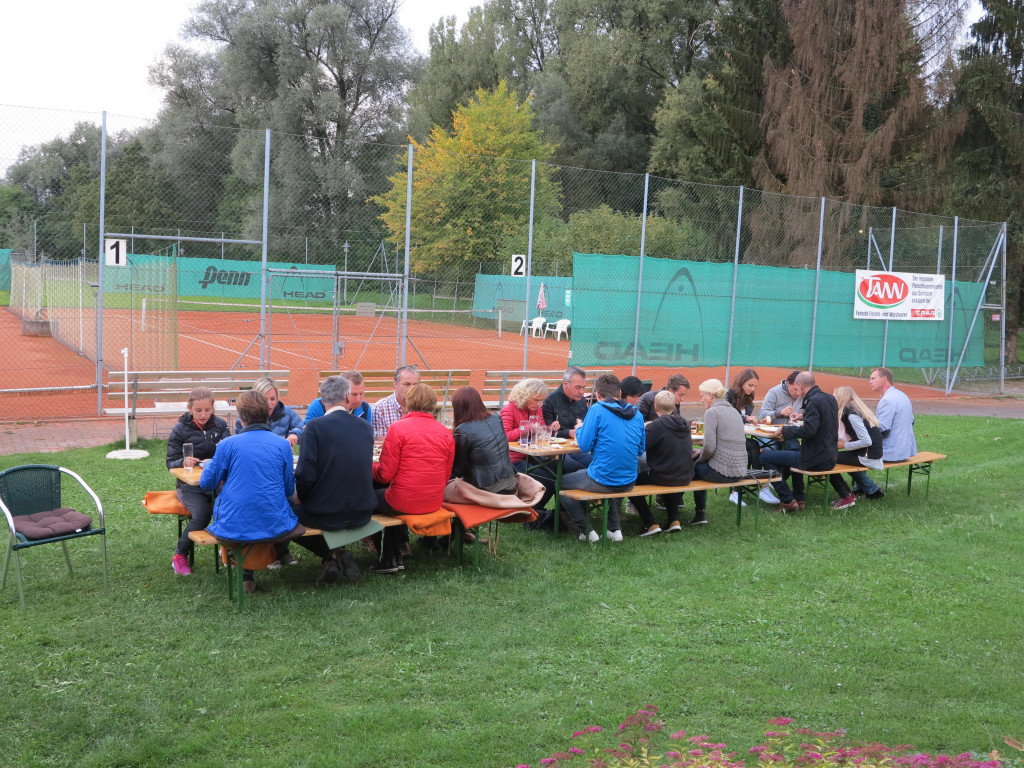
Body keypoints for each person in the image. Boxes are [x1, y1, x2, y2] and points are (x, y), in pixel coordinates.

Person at [200, 390, 303, 593]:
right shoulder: (282, 445)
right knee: (267, 506)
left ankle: (247, 574)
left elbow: (207, 483)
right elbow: (288, 489)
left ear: (241, 416)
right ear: (267, 414)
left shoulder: (227, 445)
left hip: (235, 523)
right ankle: (279, 554)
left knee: (243, 510)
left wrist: (210, 464)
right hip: (275, 522)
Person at [292, 375, 377, 585]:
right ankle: (335, 555)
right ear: (347, 397)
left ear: (323, 400)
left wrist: (301, 496)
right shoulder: (366, 427)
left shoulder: (314, 427)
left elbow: (305, 474)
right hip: (362, 512)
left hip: (327, 514)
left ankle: (331, 554)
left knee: (284, 513)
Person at [371, 383, 455, 573]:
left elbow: (385, 475)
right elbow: (445, 475)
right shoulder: (445, 432)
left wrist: (370, 467)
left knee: (370, 499)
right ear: (432, 404)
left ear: (409, 402)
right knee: (390, 497)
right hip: (433, 501)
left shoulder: (397, 428)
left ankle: (388, 557)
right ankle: (396, 553)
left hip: (404, 501)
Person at [558, 374, 645, 542]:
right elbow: (640, 449)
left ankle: (587, 531)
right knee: (606, 477)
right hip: (629, 480)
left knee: (560, 483)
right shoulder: (637, 414)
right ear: (620, 393)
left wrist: (580, 428)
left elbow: (584, 446)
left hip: (603, 479)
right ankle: (614, 529)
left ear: (598, 394)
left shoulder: (596, 410)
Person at [166, 387, 231, 575]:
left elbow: (230, 454)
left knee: (232, 507)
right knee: (203, 514)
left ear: (213, 408)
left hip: (217, 482)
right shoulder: (179, 429)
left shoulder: (220, 425)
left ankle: (228, 549)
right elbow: (170, 462)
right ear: (189, 408)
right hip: (189, 486)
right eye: (198, 410)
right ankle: (179, 556)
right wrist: (183, 462)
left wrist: (217, 460)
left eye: (207, 410)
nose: (203, 415)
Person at [760, 372, 839, 512]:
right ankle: (799, 498)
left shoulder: (813, 401)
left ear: (801, 386)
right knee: (794, 451)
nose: (797, 393)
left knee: (764, 457)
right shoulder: (829, 398)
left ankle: (787, 500)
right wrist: (803, 416)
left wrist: (785, 430)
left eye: (797, 388)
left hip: (815, 459)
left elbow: (809, 431)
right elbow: (822, 420)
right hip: (830, 457)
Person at [628, 390, 693, 536]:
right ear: (674, 407)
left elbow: (639, 448)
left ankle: (649, 522)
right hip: (686, 475)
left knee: (629, 481)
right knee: (668, 473)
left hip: (665, 476)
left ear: (655, 407)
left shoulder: (655, 426)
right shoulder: (684, 424)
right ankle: (674, 520)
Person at [500, 378, 557, 523]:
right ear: (524, 396)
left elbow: (541, 428)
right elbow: (504, 437)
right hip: (513, 460)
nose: (539, 404)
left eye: (541, 400)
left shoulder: (536, 409)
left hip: (532, 455)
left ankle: (552, 513)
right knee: (549, 480)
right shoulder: (508, 410)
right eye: (536, 400)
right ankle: (531, 514)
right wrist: (525, 428)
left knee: (558, 472)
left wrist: (550, 429)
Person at [691, 379, 747, 526]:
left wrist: (699, 458)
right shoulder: (734, 411)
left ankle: (696, 513)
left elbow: (709, 447)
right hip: (740, 471)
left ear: (710, 395)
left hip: (723, 472)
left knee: (692, 467)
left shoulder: (712, 412)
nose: (701, 399)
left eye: (702, 395)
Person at [827, 386, 884, 510]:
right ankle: (871, 490)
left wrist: (844, 445)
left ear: (841, 398)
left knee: (827, 459)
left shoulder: (852, 415)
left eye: (834, 395)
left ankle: (847, 496)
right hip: (870, 453)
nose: (832, 397)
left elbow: (866, 441)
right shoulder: (856, 409)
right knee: (837, 458)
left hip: (868, 455)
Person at [236, 377, 302, 447]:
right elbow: (239, 441)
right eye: (264, 399)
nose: (269, 404)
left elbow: (304, 428)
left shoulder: (286, 412)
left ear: (277, 398)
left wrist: (295, 434)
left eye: (273, 399)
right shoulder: (245, 415)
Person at [870, 366, 918, 461]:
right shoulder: (902, 395)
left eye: (873, 378)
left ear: (884, 379)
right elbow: (911, 421)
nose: (870, 382)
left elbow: (883, 430)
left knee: (851, 455)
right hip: (906, 451)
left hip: (890, 453)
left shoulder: (887, 400)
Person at [303, 371, 371, 427]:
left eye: (361, 394)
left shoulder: (365, 408)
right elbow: (307, 432)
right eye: (354, 394)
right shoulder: (318, 406)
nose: (358, 399)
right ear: (343, 392)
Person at [371, 365, 421, 437]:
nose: (412, 389)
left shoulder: (423, 406)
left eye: (415, 385)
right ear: (395, 384)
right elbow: (381, 442)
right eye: (407, 384)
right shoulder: (380, 409)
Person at [542, 367, 589, 441]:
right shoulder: (549, 401)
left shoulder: (582, 401)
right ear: (566, 384)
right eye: (578, 387)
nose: (582, 392)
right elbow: (545, 432)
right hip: (557, 446)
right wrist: (568, 433)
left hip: (579, 444)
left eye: (583, 387)